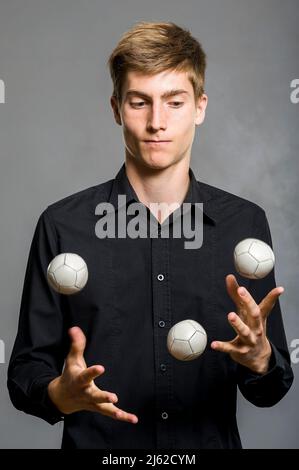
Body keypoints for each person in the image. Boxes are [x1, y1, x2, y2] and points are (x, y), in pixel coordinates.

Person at [8, 21, 293, 449]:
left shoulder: (244, 227)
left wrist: (261, 359)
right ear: (116, 108)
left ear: (200, 106)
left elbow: (269, 390)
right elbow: (25, 372)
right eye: (140, 102)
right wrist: (60, 396)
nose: (157, 122)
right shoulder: (62, 226)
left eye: (174, 102)